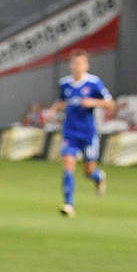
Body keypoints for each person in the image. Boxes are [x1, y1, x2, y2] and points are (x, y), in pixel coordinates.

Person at [47, 49, 113, 217]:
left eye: (81, 63)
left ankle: (98, 178)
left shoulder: (93, 83)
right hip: (70, 133)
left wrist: (93, 102)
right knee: (68, 166)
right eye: (75, 63)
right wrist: (53, 110)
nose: (77, 67)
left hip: (88, 133)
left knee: (88, 171)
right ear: (71, 65)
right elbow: (62, 101)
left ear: (86, 65)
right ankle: (68, 204)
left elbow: (109, 103)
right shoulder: (65, 84)